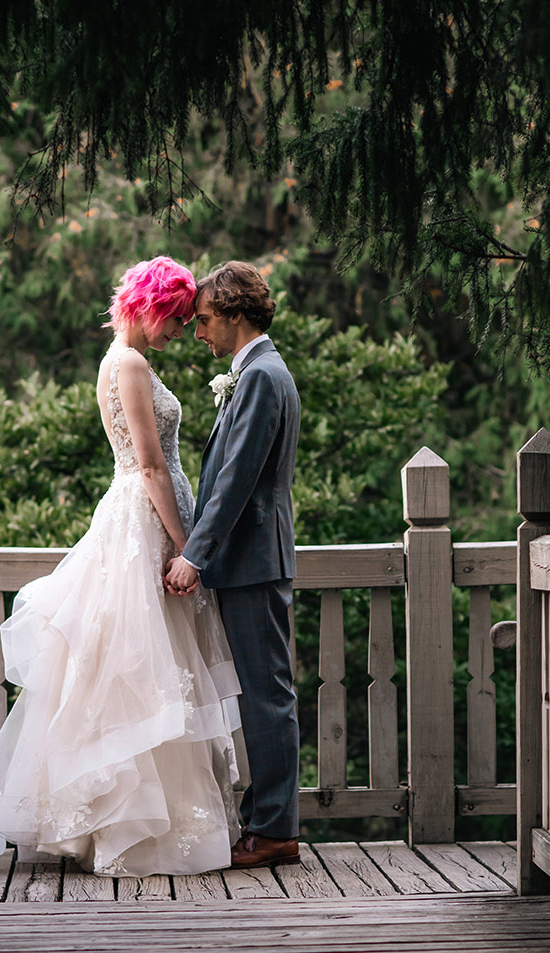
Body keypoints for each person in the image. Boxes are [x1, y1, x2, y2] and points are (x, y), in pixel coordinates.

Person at [0, 257, 243, 876]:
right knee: (138, 666)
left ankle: (114, 821)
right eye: (174, 319)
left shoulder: (119, 360)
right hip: (143, 520)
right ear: (150, 306)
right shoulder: (130, 363)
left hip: (139, 517)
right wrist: (185, 543)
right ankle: (126, 827)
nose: (178, 332)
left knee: (135, 666)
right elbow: (150, 466)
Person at [164, 261, 302, 870]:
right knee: (260, 692)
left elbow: (237, 479)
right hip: (249, 560)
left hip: (251, 561)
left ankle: (273, 831)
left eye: (204, 321)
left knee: (266, 696)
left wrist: (195, 553)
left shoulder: (261, 378)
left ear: (235, 314)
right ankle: (267, 822)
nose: (198, 334)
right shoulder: (256, 374)